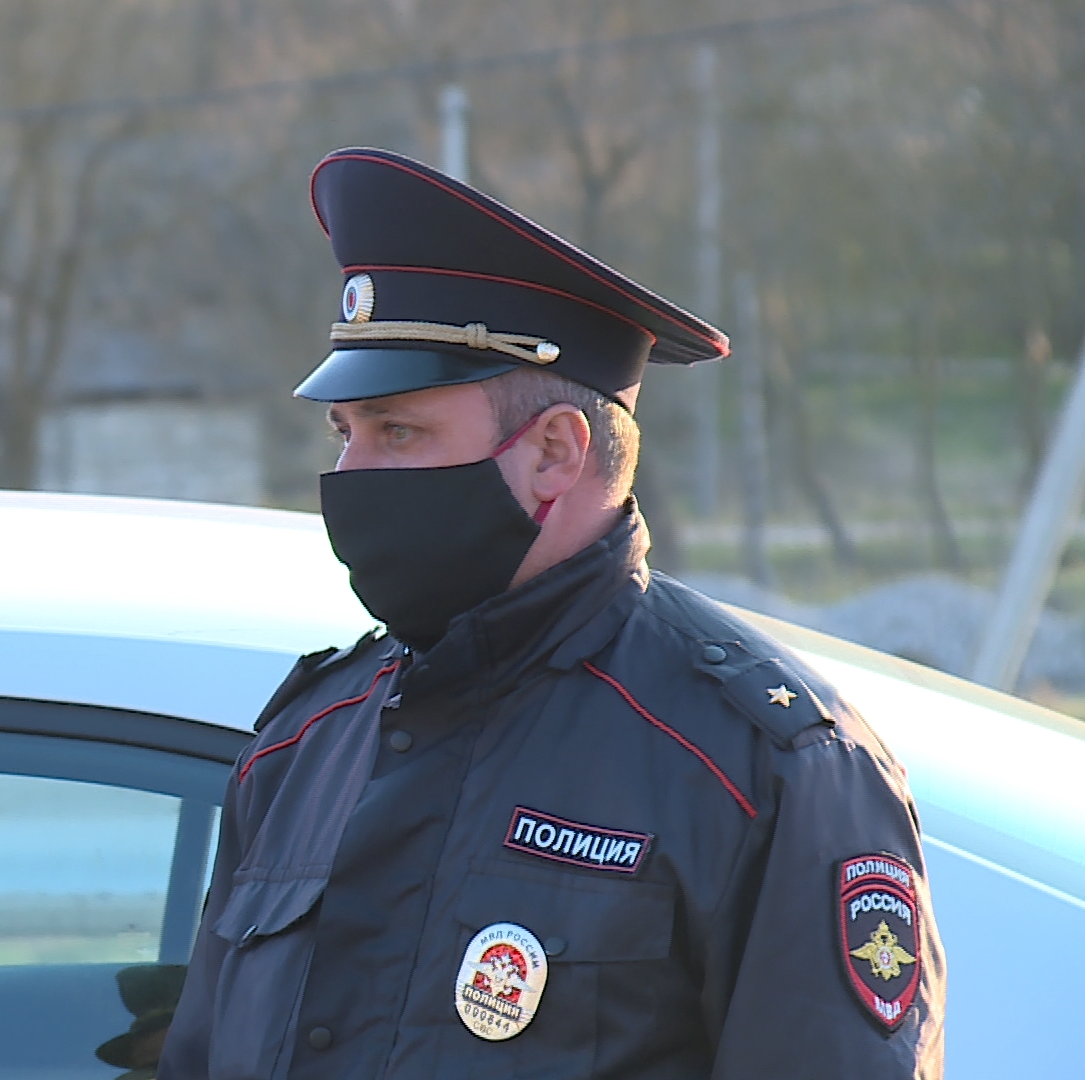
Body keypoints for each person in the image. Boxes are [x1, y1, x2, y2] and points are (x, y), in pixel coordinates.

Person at [159, 148, 944, 1080]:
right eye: (345, 436)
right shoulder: (307, 744)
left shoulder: (762, 766)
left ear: (554, 455)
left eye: (398, 432)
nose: (347, 480)